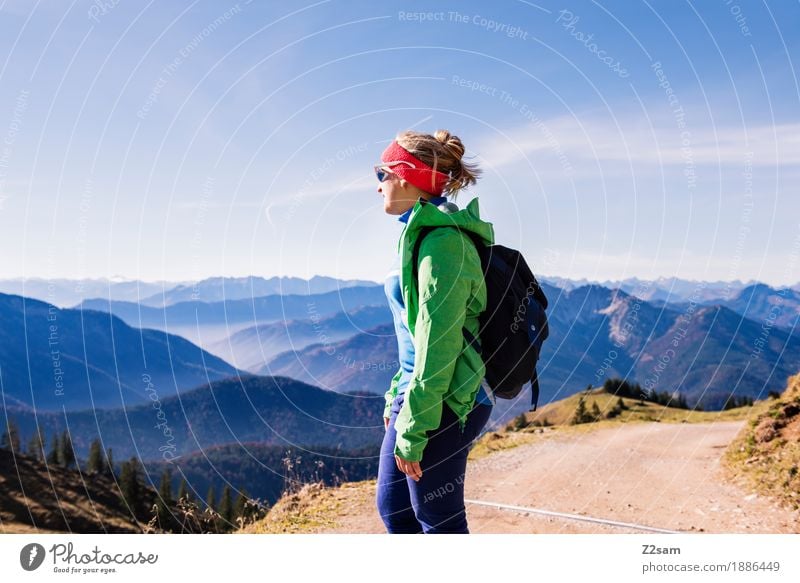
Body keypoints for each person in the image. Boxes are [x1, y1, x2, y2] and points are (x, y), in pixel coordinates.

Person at [375, 129, 495, 534]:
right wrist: (396, 394)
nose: (378, 186)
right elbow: (412, 334)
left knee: (437, 520)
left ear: (406, 175)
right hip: (417, 395)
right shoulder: (418, 236)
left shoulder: (442, 244)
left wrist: (414, 424)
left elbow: (438, 344)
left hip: (446, 399)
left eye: (382, 173)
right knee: (396, 511)